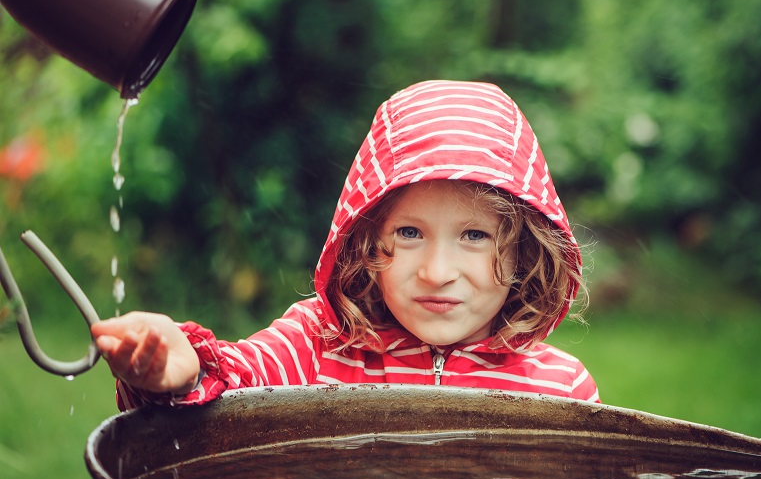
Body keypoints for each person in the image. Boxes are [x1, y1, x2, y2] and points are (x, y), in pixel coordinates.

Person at [91, 79, 599, 410]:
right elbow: (233, 379)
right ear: (364, 238)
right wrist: (180, 370)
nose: (437, 271)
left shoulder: (559, 391)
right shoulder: (316, 346)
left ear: (524, 251)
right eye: (408, 233)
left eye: (475, 236)